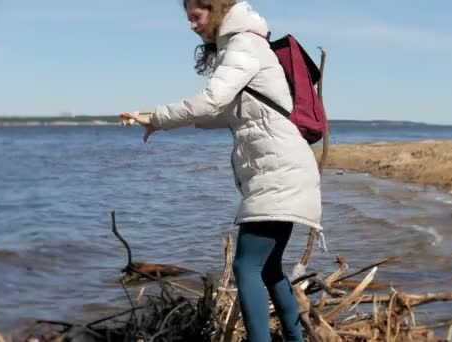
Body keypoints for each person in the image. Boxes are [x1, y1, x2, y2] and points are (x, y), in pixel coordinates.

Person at [121, 1, 323, 341]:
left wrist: (160, 117)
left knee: (246, 267)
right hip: (283, 168)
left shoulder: (245, 44)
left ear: (215, 10)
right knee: (269, 268)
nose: (192, 26)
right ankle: (295, 338)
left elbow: (212, 99)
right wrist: (157, 121)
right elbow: (225, 113)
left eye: (195, 17)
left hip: (279, 171)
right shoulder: (245, 44)